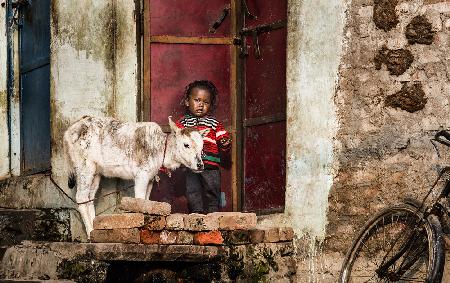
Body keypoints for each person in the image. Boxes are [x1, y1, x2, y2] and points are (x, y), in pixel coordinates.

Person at [176, 80, 231, 213]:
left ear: (210, 105)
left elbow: (223, 139)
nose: (201, 105)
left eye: (206, 102)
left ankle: (213, 212)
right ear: (187, 102)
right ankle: (197, 214)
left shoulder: (213, 123)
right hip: (192, 166)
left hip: (210, 165)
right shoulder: (183, 123)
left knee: (212, 189)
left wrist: (225, 143)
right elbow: (176, 140)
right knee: (192, 190)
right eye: (197, 100)